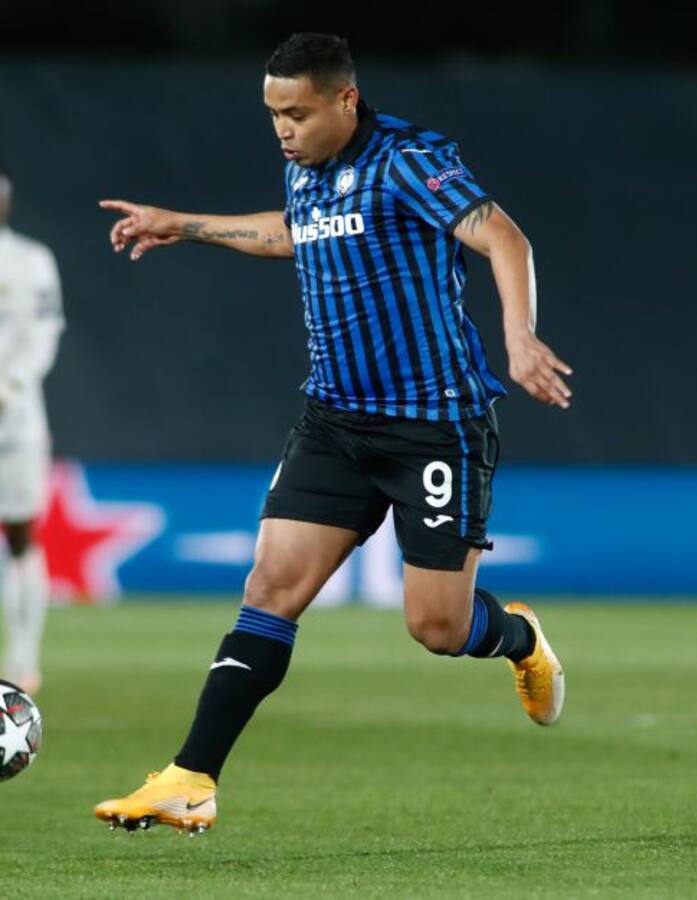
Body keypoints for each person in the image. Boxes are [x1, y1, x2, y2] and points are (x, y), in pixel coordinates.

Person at [94, 33, 571, 834]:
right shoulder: (306, 167)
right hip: (334, 423)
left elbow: (503, 237)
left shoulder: (408, 160)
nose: (283, 129)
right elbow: (294, 232)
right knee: (270, 590)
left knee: (436, 627)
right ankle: (190, 779)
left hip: (434, 426)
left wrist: (519, 337)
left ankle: (521, 638)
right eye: (273, 114)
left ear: (345, 100)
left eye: (297, 113)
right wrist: (186, 225)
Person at [0, 163, 64, 697]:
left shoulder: (30, 260)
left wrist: (11, 385)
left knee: (21, 534)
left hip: (13, 418)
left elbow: (43, 336)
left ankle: (23, 659)